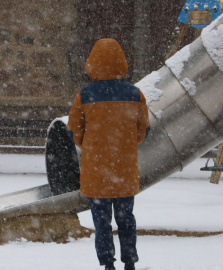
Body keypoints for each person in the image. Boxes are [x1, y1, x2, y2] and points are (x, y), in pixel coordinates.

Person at [67, 38, 150, 270]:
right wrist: (125, 146)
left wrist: (93, 147)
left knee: (101, 222)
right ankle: (130, 261)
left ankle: (108, 264)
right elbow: (144, 129)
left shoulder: (84, 95)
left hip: (96, 172)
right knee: (126, 219)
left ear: (92, 63)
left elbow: (74, 130)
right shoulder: (135, 94)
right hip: (125, 169)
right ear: (122, 62)